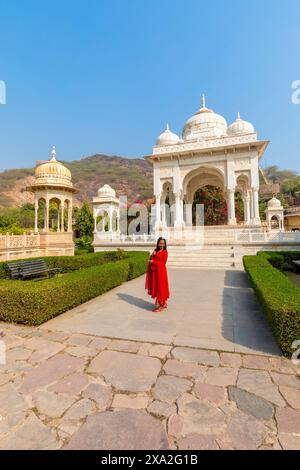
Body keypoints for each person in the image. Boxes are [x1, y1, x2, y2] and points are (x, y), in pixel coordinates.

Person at [145, 237, 170, 312]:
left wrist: (153, 262)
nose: (161, 245)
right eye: (160, 243)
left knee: (161, 287)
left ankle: (161, 305)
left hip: (161, 272)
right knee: (156, 286)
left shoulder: (165, 252)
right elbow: (151, 258)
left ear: (165, 244)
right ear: (158, 243)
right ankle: (164, 303)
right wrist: (152, 255)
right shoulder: (156, 250)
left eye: (163, 243)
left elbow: (163, 263)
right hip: (155, 272)